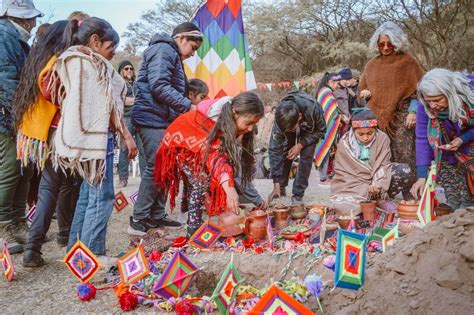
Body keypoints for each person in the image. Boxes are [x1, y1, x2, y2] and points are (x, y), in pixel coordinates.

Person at [49, 18, 137, 259]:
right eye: (111, 47)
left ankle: (75, 252)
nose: (114, 52)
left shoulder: (72, 59)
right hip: (98, 141)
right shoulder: (91, 63)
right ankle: (92, 255)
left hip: (85, 140)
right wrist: (126, 136)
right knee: (101, 197)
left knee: (87, 196)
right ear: (96, 41)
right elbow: (106, 105)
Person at [129, 22, 203, 236]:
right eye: (192, 48)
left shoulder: (172, 55)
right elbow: (159, 85)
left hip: (162, 119)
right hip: (151, 118)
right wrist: (188, 106)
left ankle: (156, 214)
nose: (192, 54)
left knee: (166, 167)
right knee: (156, 166)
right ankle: (139, 218)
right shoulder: (163, 50)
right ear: (181, 38)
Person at [155, 92, 264, 236]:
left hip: (197, 148)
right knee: (200, 181)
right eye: (248, 123)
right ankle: (193, 230)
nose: (250, 129)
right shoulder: (213, 122)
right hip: (180, 145)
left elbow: (222, 157)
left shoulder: (229, 121)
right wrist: (229, 189)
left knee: (203, 181)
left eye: (254, 124)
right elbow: (216, 158)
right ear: (235, 113)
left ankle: (195, 219)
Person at [0, 0, 43, 254]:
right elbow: (6, 81)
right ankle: (4, 225)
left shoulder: (15, 39)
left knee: (24, 171)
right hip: (8, 117)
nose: (34, 23)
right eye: (30, 18)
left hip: (19, 117)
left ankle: (18, 221)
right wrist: (21, 115)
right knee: (9, 170)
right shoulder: (4, 37)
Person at [358, 22, 424, 181]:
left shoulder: (407, 61)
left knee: (404, 152)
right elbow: (362, 88)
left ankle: (410, 190)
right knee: (379, 153)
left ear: (397, 43)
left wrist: (413, 111)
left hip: (402, 115)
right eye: (382, 44)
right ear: (377, 45)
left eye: (390, 43)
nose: (386, 47)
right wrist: (364, 92)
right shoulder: (372, 64)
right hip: (376, 116)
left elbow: (418, 89)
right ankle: (384, 188)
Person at [331, 109, 415, 217]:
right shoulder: (344, 143)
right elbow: (342, 172)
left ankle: (380, 200)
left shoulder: (382, 138)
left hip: (378, 181)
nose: (365, 138)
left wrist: (377, 184)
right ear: (353, 130)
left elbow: (384, 163)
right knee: (346, 209)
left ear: (375, 129)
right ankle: (372, 202)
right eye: (360, 134)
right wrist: (367, 187)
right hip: (353, 184)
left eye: (370, 133)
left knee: (404, 170)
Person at [410, 69, 473, 210]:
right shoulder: (424, 106)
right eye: (428, 101)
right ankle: (454, 209)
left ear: (450, 93)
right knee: (452, 193)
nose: (432, 106)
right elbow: (422, 139)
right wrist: (421, 176)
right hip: (444, 146)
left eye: (437, 100)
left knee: (469, 192)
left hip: (471, 145)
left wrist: (463, 139)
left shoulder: (470, 92)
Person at [268, 91, 326, 205]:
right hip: (292, 122)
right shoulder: (280, 117)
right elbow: (275, 150)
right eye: (287, 130)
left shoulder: (313, 108)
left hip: (311, 131)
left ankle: (298, 194)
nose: (290, 131)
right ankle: (281, 187)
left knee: (306, 157)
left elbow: (321, 130)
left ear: (299, 117)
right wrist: (276, 182)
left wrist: (301, 144)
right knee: (285, 151)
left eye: (291, 129)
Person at [116, 60, 145, 188]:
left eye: (131, 68)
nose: (129, 71)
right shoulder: (119, 84)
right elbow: (120, 100)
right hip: (126, 119)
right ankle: (123, 178)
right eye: (126, 68)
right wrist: (134, 100)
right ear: (121, 71)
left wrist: (131, 100)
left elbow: (143, 99)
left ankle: (145, 178)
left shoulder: (138, 85)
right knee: (124, 149)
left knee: (143, 149)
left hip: (140, 119)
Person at [313, 73, 343, 183]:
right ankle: (323, 177)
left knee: (327, 149)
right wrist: (341, 117)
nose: (338, 86)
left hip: (323, 124)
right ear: (331, 81)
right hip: (326, 125)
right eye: (338, 83)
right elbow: (331, 111)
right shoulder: (326, 92)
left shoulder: (323, 91)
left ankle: (324, 176)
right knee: (325, 149)